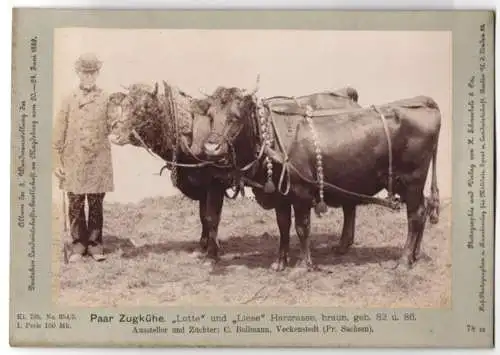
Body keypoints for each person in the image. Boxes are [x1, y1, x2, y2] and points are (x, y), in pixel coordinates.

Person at [52, 53, 114, 262]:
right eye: (85, 73)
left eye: (92, 73)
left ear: (97, 73)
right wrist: (56, 162)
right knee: (76, 203)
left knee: (96, 203)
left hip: (98, 160)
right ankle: (78, 245)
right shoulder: (69, 98)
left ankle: (95, 245)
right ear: (78, 73)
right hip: (74, 160)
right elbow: (58, 134)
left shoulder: (106, 98)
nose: (88, 77)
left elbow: (113, 125)